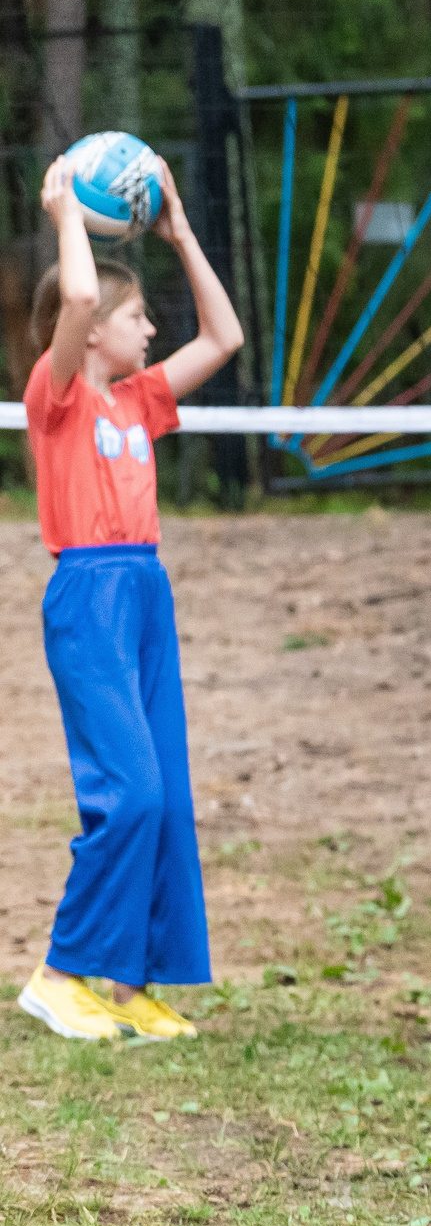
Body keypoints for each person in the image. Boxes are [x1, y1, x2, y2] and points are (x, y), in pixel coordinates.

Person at [15, 154, 243, 1044]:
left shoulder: (137, 401)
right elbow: (71, 300)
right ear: (96, 329)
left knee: (169, 799)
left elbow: (222, 339)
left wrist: (180, 228)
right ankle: (60, 971)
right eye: (138, 316)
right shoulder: (58, 395)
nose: (152, 330)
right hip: (90, 597)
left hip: (146, 588)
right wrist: (67, 211)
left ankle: (128, 978)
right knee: (132, 792)